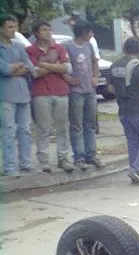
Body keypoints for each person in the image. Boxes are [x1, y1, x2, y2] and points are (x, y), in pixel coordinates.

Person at [27, 20, 74, 174]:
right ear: (36, 33)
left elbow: (67, 68)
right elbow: (35, 72)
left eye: (49, 29)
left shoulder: (59, 48)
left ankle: (63, 159)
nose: (48, 32)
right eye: (44, 29)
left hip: (60, 91)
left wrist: (45, 65)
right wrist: (56, 66)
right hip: (41, 93)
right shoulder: (30, 51)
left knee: (62, 127)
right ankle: (44, 161)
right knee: (43, 129)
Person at [110, 37, 139, 185]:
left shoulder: (115, 65)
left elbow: (110, 88)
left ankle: (135, 171)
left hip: (123, 110)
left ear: (124, 49)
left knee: (133, 140)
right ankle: (136, 169)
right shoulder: (138, 67)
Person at [0, 13, 37, 177]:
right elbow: (5, 70)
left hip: (23, 93)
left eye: (15, 27)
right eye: (9, 27)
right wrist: (17, 67)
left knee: (25, 129)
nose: (13, 30)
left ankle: (26, 162)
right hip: (6, 94)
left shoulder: (19, 46)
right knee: (9, 130)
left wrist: (16, 68)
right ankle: (9, 166)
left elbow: (30, 66)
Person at [64, 19, 103, 170]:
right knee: (76, 125)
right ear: (83, 32)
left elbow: (94, 62)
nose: (91, 34)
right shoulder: (67, 46)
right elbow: (62, 65)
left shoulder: (89, 45)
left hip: (89, 90)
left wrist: (95, 76)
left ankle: (91, 155)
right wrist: (67, 78)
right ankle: (79, 157)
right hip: (75, 91)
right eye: (90, 32)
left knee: (90, 124)